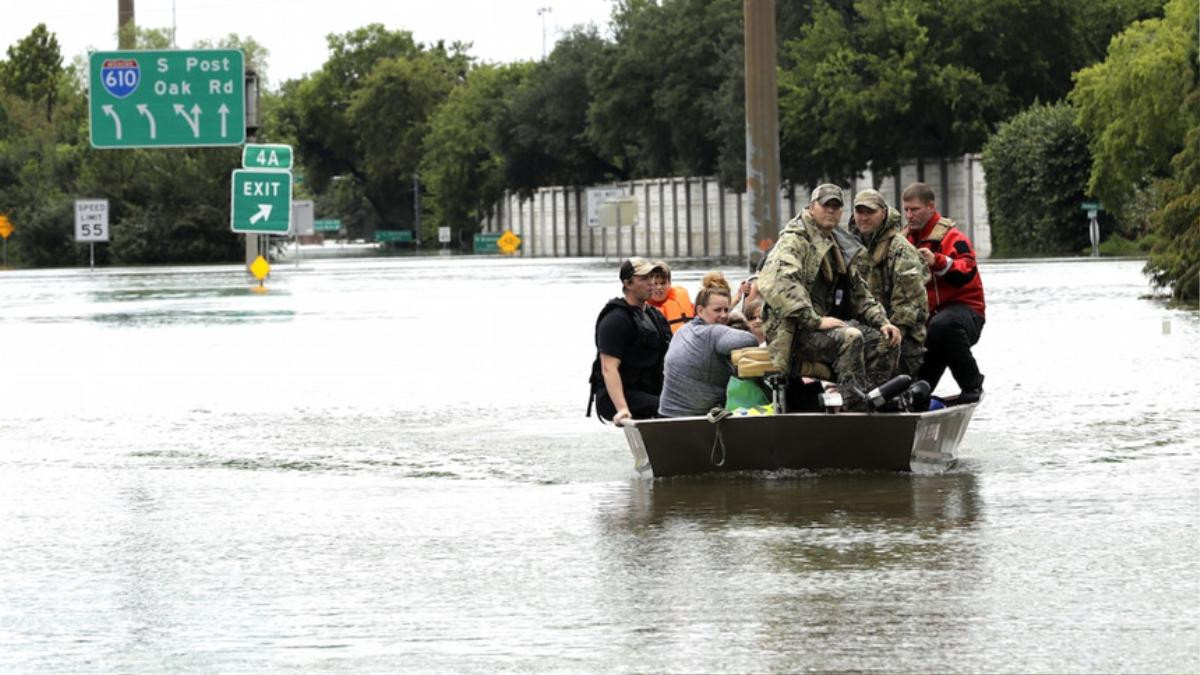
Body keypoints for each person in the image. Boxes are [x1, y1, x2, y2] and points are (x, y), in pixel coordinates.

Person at [757, 184, 902, 411]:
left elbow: (860, 293)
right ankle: (852, 408)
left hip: (821, 327)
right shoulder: (794, 240)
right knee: (850, 337)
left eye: (836, 206)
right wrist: (814, 320)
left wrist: (883, 321)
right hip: (794, 331)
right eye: (826, 205)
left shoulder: (837, 243)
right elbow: (778, 283)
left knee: (885, 340)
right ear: (812, 207)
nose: (831, 211)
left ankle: (873, 401)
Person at [902, 182, 986, 402]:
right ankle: (916, 399)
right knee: (913, 387)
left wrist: (937, 261)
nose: (909, 215)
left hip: (965, 315)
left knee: (943, 325)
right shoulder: (903, 241)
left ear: (931, 207)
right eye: (906, 210)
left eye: (915, 209)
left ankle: (972, 385)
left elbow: (965, 273)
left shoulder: (954, 238)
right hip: (929, 325)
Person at [849, 188, 929, 379]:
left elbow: (906, 309)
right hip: (865, 332)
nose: (864, 217)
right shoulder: (852, 248)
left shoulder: (902, 250)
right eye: (860, 212)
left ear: (883, 213)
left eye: (870, 212)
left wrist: (884, 341)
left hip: (903, 340)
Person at [658, 272, 759, 417]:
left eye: (726, 310)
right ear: (700, 310)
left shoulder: (683, 330)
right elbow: (751, 340)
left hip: (665, 413)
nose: (724, 315)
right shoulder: (713, 333)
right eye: (717, 310)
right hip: (693, 418)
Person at [588, 258, 673, 424]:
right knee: (669, 408)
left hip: (648, 391)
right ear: (628, 283)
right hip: (617, 396)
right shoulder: (615, 319)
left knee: (689, 405)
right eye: (644, 279)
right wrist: (622, 408)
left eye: (652, 277)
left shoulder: (655, 316)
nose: (652, 283)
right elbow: (608, 368)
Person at [646, 260, 695, 334]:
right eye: (655, 284)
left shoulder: (682, 300)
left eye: (663, 283)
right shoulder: (641, 309)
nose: (659, 287)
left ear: (669, 283)